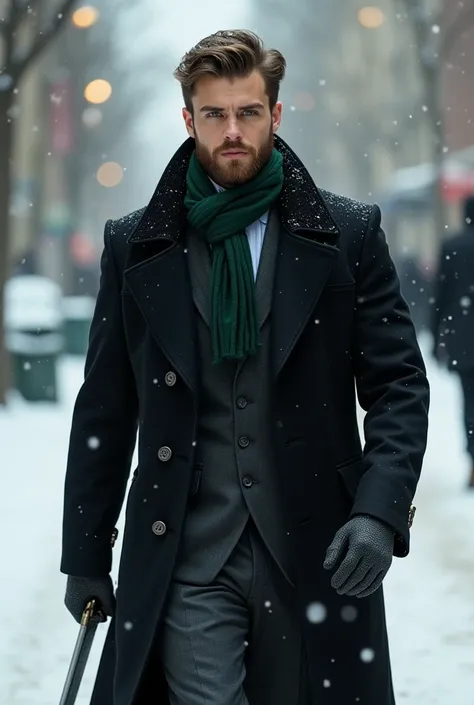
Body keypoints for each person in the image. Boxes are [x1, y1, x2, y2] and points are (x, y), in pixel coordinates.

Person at [61, 29, 429, 705]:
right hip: (188, 557)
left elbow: (398, 385)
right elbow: (106, 408)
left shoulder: (347, 235)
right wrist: (84, 551)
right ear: (189, 118)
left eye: (249, 112)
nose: (233, 131)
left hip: (315, 551)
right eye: (215, 114)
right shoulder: (137, 244)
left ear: (276, 114)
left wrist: (380, 511)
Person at [432, 194, 474, 489]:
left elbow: (440, 299)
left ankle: (473, 461)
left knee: (469, 402)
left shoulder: (453, 248)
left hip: (464, 341)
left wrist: (437, 340)